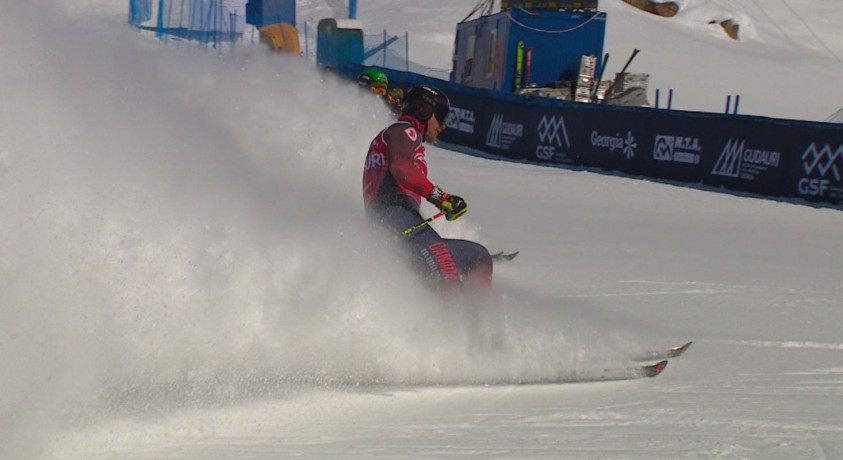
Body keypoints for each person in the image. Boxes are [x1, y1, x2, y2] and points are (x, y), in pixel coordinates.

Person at [362, 85, 493, 289]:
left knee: (478, 258)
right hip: (396, 217)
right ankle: (459, 318)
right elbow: (401, 166)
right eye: (442, 117)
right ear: (424, 111)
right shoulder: (405, 131)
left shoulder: (398, 136)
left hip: (396, 222)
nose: (444, 126)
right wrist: (441, 198)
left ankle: (473, 316)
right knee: (452, 266)